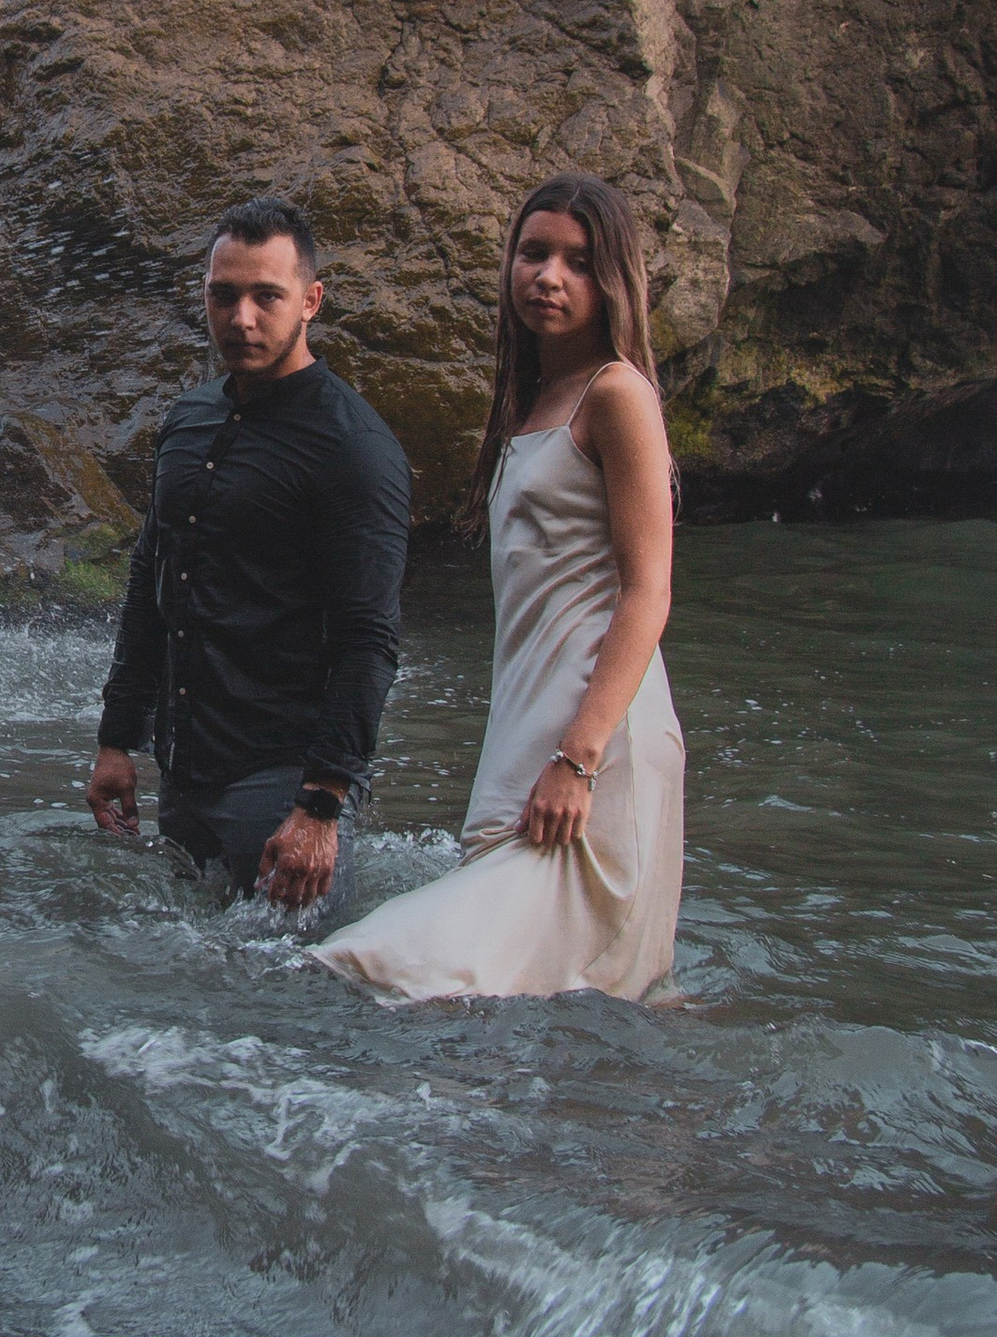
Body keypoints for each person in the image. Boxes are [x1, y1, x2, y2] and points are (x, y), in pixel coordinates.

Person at [315, 172, 683, 1005]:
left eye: (579, 262)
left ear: (614, 280)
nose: (549, 275)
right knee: (542, 1000)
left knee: (382, 963)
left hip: (598, 742)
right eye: (534, 252)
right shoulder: (536, 398)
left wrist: (577, 761)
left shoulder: (618, 395)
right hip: (536, 724)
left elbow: (648, 593)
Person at [89, 196, 410, 922]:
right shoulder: (187, 420)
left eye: (267, 297)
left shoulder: (353, 447)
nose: (242, 318)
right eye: (223, 295)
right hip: (185, 769)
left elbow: (371, 639)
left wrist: (322, 805)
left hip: (282, 779)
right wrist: (117, 742)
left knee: (299, 1008)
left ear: (311, 301)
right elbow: (152, 584)